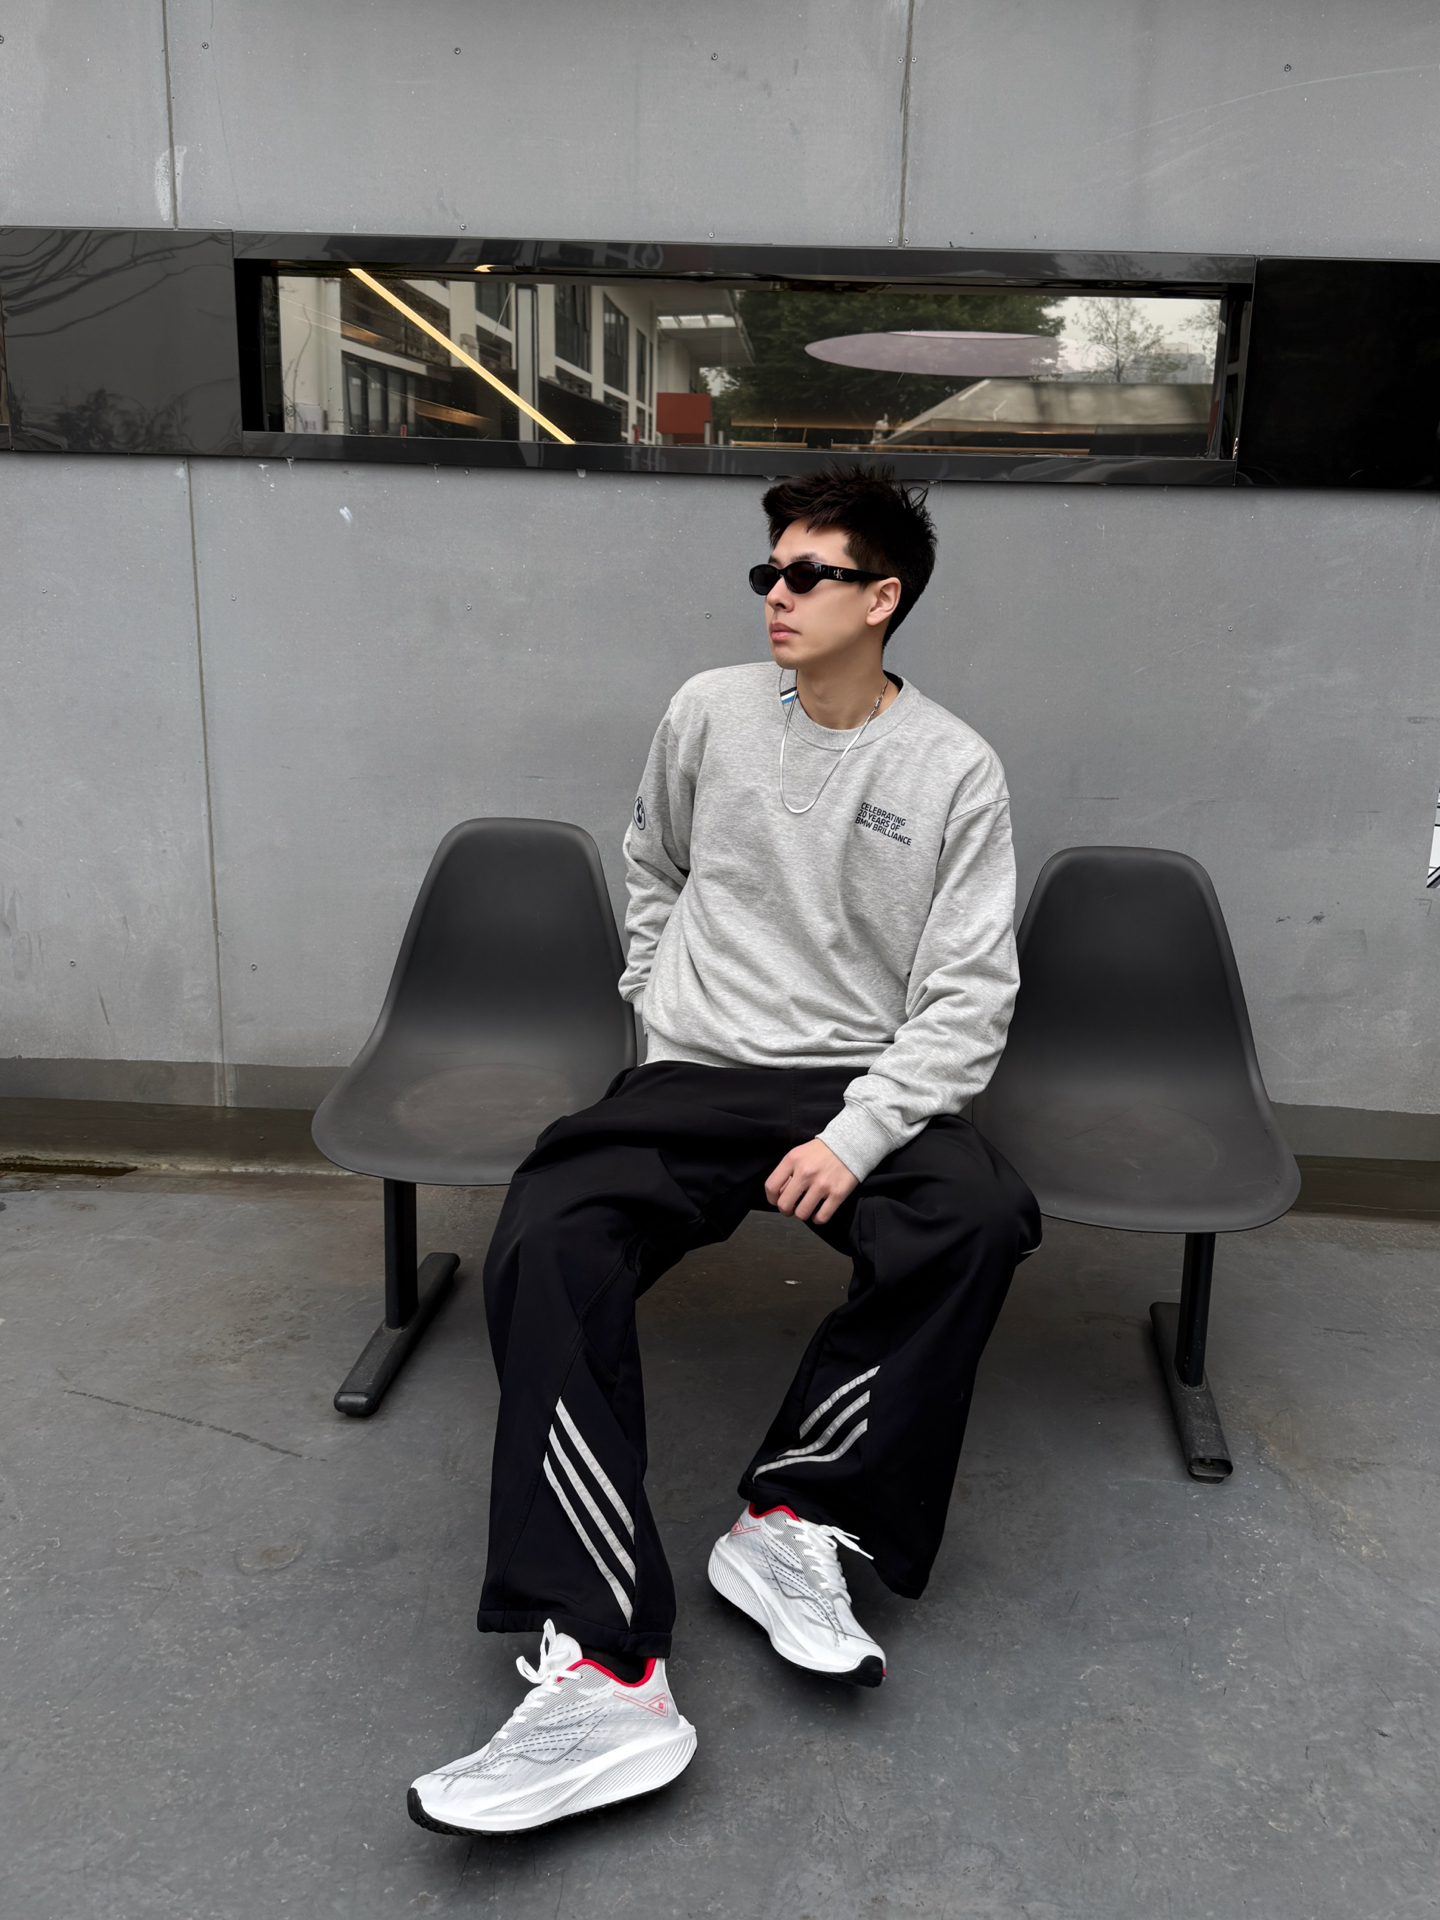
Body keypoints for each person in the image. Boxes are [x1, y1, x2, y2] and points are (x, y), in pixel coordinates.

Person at [408, 463, 1040, 1837]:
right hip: (693, 1069)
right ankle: (608, 1667)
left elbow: (969, 996)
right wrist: (661, 1004)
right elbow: (655, 866)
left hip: (853, 1080)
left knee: (974, 1216)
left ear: (883, 597)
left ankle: (794, 1518)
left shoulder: (953, 768)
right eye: (769, 570)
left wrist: (861, 1131)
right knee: (549, 1237)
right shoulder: (706, 711)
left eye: (809, 574)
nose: (776, 594)